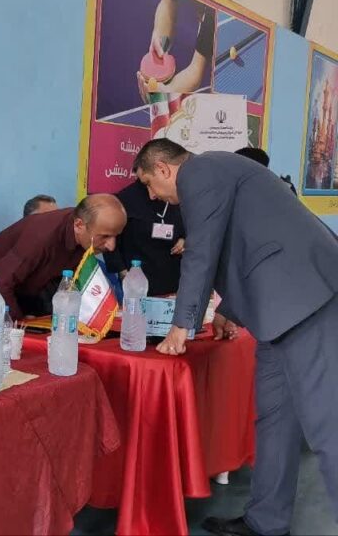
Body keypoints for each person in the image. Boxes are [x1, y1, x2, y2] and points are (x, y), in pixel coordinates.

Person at [134, 138, 338, 536]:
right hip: (277, 312)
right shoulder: (220, 176)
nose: (152, 195)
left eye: (149, 184)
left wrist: (181, 326)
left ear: (163, 168)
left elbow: (202, 251)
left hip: (306, 299)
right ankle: (266, 521)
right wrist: (228, 311)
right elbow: (245, 250)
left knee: (325, 423)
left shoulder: (200, 171)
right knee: (275, 420)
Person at [0, 195, 126, 320]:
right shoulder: (41, 237)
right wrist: (18, 324)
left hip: (29, 282)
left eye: (116, 236)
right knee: (4, 338)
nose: (111, 246)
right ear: (78, 225)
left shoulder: (86, 229)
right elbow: (1, 282)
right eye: (105, 236)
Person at [103, 179, 186, 296]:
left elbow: (192, 227)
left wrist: (184, 240)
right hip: (137, 278)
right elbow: (110, 239)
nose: (153, 196)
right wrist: (122, 271)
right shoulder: (126, 199)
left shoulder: (176, 195)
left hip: (173, 278)